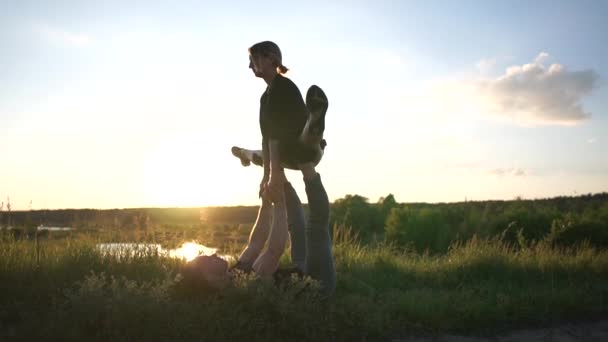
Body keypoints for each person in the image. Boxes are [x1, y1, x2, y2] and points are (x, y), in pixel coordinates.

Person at [189, 41, 336, 297]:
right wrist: (276, 195)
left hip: (301, 273)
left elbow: (257, 241)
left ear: (271, 59)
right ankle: (313, 130)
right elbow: (274, 248)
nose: (212, 253)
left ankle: (312, 129)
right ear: (209, 280)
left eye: (253, 60)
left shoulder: (239, 269)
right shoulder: (243, 284)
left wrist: (267, 194)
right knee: (314, 227)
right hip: (316, 288)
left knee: (301, 227)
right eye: (207, 260)